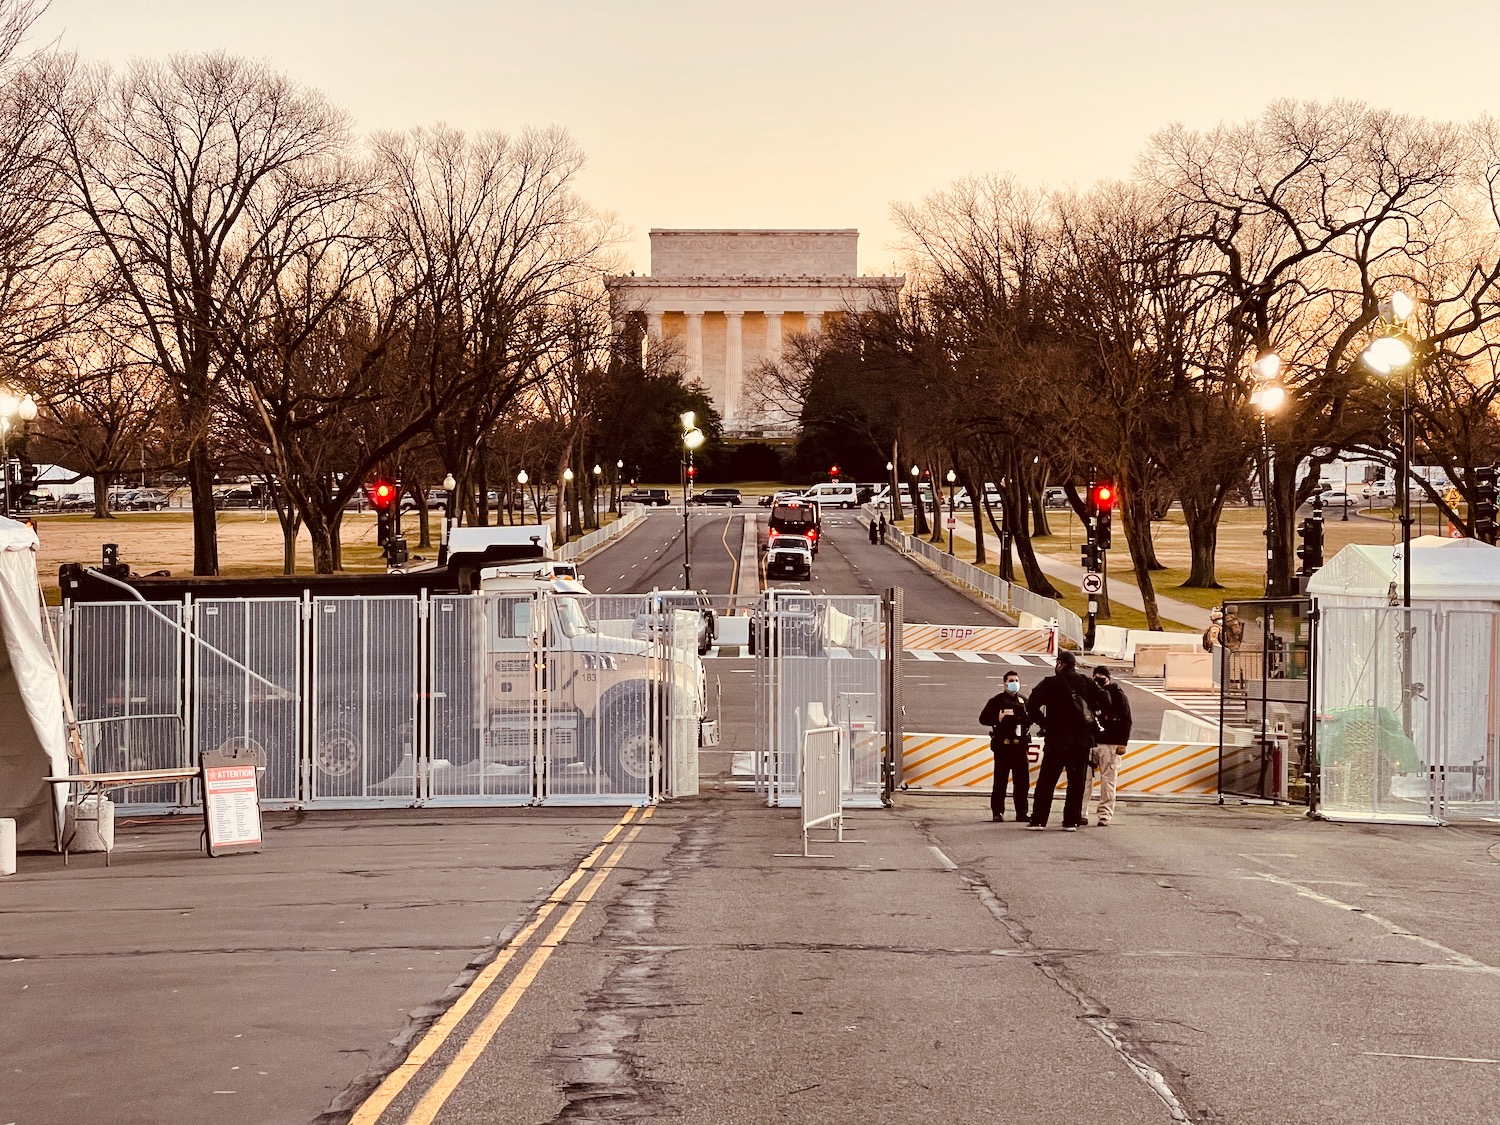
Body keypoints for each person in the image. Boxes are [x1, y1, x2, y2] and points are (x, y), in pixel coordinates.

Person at [1024, 649, 1106, 831]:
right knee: (1076, 783)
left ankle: (1039, 820)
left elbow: (1031, 706)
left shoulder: (1050, 683)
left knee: (1046, 781)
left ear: (1060, 664)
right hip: (1081, 741)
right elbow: (1105, 699)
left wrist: (1044, 723)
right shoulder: (1085, 682)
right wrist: (1091, 712)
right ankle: (1071, 821)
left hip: (1056, 740)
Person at [978, 670, 1031, 822]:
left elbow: (1031, 718)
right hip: (1004, 746)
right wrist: (998, 718)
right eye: (1011, 680)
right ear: (1005, 683)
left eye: (1016, 680)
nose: (1014, 683)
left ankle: (1021, 812)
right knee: (1000, 781)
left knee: (1022, 782)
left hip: (1020, 746)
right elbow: (983, 719)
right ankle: (997, 812)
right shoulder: (997, 701)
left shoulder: (1023, 700)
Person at [1089, 665, 1132, 826]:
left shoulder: (1118, 695)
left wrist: (1123, 743)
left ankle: (1105, 815)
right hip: (1092, 742)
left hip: (1111, 744)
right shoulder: (1090, 693)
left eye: (1101, 676)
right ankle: (1081, 812)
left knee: (1108, 781)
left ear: (1108, 678)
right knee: (1085, 781)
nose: (1098, 679)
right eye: (1096, 676)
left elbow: (1127, 720)